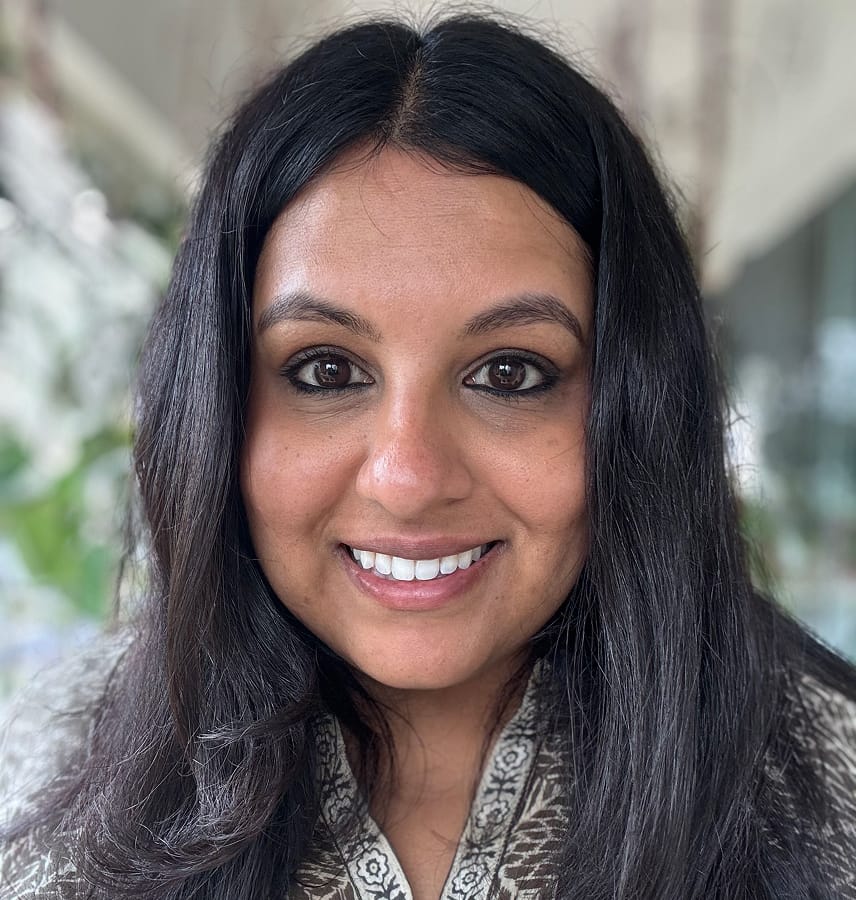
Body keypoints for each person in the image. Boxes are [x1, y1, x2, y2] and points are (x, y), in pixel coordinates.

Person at [2, 11, 855, 900]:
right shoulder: (54, 769)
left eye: (510, 373)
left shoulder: (832, 790)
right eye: (326, 371)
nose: (407, 479)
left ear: (636, 408)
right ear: (214, 405)